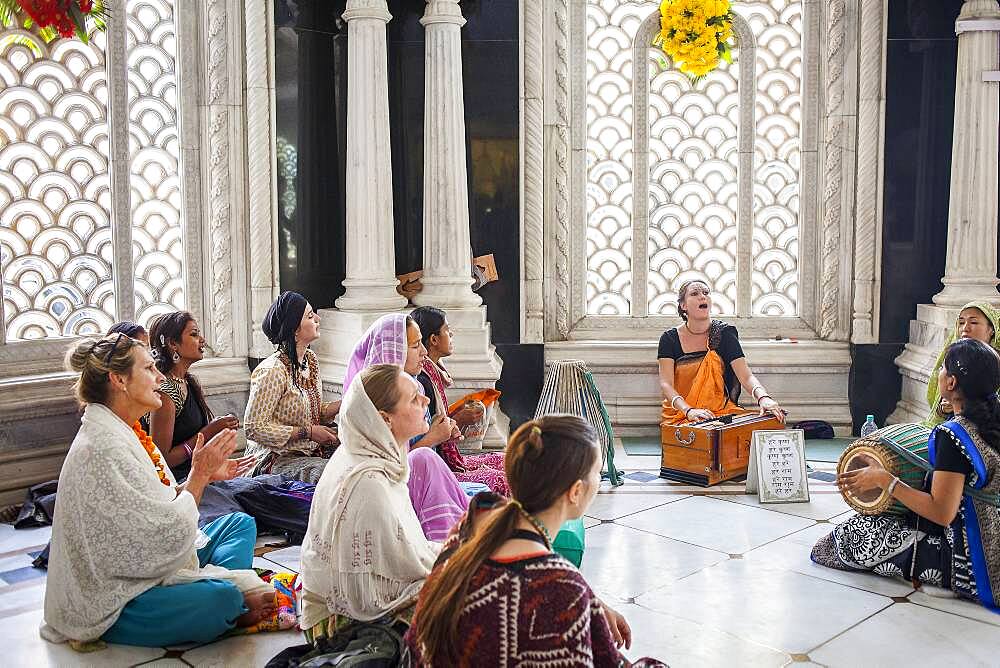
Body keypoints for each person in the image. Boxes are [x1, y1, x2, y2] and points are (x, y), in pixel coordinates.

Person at [42, 334, 275, 648]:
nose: (160, 377)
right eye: (150, 368)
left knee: (239, 523)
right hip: (117, 594)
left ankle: (213, 586)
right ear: (119, 379)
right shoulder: (103, 446)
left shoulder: (126, 430)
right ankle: (225, 601)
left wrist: (203, 477)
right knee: (222, 600)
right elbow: (155, 539)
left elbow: (154, 505)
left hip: (156, 555)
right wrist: (199, 475)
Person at [404, 415, 666, 667]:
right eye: (597, 472)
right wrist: (585, 607)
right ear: (575, 491)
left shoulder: (470, 527)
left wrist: (591, 605)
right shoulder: (558, 589)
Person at [812, 338, 1000, 611]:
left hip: (979, 558)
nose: (939, 373)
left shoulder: (954, 435)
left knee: (846, 538)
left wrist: (885, 481)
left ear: (951, 384)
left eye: (943, 369)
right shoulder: (991, 419)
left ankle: (946, 574)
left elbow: (941, 512)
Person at [298, 364, 442, 642]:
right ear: (384, 419)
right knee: (463, 595)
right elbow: (398, 576)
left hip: (347, 609)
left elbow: (407, 554)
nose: (424, 400)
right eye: (414, 399)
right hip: (340, 624)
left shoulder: (372, 456)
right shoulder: (368, 482)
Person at [342, 314, 469, 540]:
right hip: (390, 489)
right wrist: (432, 438)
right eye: (414, 345)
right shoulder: (375, 398)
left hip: (406, 480)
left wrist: (443, 433)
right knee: (424, 460)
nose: (424, 352)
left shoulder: (415, 384)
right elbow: (386, 461)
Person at [409, 306, 509, 496]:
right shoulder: (420, 383)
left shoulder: (432, 374)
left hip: (442, 461)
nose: (451, 334)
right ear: (434, 340)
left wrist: (455, 417)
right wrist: (459, 420)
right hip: (433, 470)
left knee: (507, 461)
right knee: (500, 479)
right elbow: (423, 447)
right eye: (447, 330)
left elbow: (435, 425)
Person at [658, 279, 784, 425]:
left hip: (720, 412)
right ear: (683, 305)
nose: (702, 297)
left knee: (765, 427)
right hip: (682, 415)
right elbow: (666, 384)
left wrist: (764, 398)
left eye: (706, 293)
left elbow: (745, 376)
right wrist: (689, 410)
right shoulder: (669, 338)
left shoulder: (724, 334)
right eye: (695, 293)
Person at [243, 292, 340, 482]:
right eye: (310, 316)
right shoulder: (272, 371)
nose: (318, 319)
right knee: (330, 474)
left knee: (361, 460)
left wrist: (349, 401)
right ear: (295, 329)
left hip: (307, 451)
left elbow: (311, 412)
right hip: (275, 458)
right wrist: (308, 432)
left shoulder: (310, 360)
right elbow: (254, 428)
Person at [147, 311, 244, 481]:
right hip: (178, 483)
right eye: (194, 334)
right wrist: (206, 433)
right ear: (172, 344)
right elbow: (161, 460)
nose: (202, 340)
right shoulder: (166, 393)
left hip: (198, 476)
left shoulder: (187, 382)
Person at [924, 301, 1000, 427]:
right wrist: (944, 409)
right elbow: (938, 402)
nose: (965, 328)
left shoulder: (995, 364)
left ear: (992, 330)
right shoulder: (956, 357)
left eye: (974, 322)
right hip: (949, 425)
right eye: (961, 323)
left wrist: (962, 407)